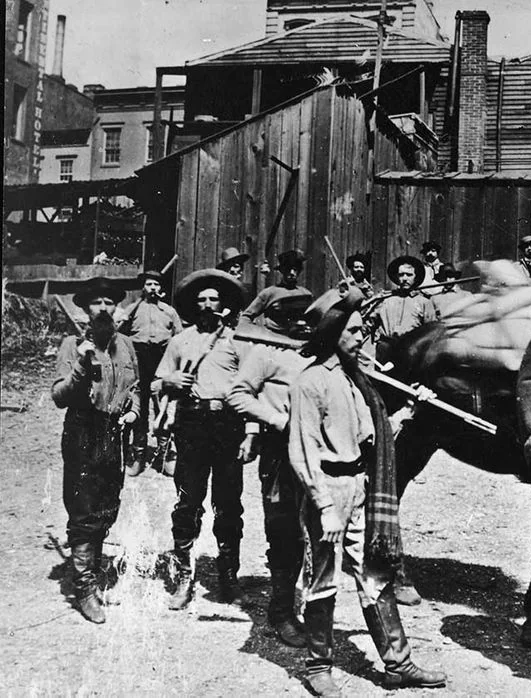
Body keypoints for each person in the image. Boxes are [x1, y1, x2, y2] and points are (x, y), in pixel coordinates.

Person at [288, 289, 447, 696]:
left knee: (375, 574)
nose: (362, 336)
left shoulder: (355, 379)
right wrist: (324, 507)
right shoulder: (310, 382)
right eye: (355, 330)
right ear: (333, 333)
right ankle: (318, 665)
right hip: (327, 490)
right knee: (321, 580)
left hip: (359, 486)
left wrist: (409, 411)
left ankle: (398, 663)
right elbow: (303, 452)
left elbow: (370, 437)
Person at [154, 269, 248, 610]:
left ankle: (228, 577)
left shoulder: (237, 341)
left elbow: (250, 387)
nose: (208, 305)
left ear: (223, 305)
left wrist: (249, 431)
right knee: (188, 500)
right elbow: (157, 382)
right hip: (191, 423)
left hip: (227, 424)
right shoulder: (180, 342)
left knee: (229, 503)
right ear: (194, 307)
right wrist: (171, 382)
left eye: (214, 299)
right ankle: (182, 577)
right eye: (202, 300)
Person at [226, 295, 314, 647]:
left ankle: (314, 608)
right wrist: (276, 420)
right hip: (281, 453)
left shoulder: (324, 357)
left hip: (320, 452)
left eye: (310, 319)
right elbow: (237, 394)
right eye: (295, 319)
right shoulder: (266, 354)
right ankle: (281, 613)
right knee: (284, 530)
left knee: (321, 531)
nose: (304, 326)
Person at [52, 278, 140, 624]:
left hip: (114, 433)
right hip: (82, 431)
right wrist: (81, 365)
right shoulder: (72, 345)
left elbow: (135, 387)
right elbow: (60, 397)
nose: (103, 308)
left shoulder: (127, 345)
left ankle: (95, 569)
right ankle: (84, 587)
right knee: (84, 509)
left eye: (109, 302)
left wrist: (133, 410)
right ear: (85, 309)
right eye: (96, 303)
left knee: (107, 505)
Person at [117, 269, 182, 475]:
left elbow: (180, 339)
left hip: (162, 361)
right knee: (139, 407)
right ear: (143, 288)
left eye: (156, 284)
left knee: (161, 407)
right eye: (149, 284)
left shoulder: (169, 311)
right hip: (138, 361)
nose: (153, 288)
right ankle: (139, 454)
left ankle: (164, 454)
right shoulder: (132, 309)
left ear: (161, 288)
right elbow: (119, 336)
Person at [243, 248, 314, 332]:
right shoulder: (269, 293)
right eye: (288, 268)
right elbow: (246, 317)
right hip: (272, 338)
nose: (292, 272)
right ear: (282, 270)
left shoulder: (305, 294)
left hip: (295, 339)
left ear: (299, 271)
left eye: (295, 269)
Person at [373, 255, 437, 346]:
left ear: (415, 277)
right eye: (401, 275)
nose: (405, 278)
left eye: (409, 275)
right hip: (385, 348)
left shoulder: (424, 303)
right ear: (397, 277)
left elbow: (432, 332)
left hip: (411, 350)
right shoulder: (385, 300)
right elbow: (369, 324)